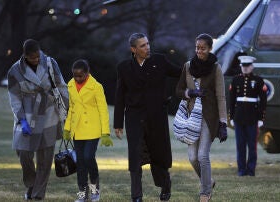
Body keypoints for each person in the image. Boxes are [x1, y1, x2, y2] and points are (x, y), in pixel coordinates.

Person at [113, 33, 181, 202]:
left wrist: (200, 64)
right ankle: (136, 196)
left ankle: (165, 185)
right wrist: (118, 122)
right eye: (142, 45)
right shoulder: (124, 67)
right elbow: (120, 95)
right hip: (134, 118)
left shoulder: (160, 61)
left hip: (157, 118)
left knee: (158, 154)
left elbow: (181, 73)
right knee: (135, 156)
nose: (147, 47)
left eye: (147, 44)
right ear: (133, 49)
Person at [7, 39, 68, 200]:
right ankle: (31, 184)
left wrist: (67, 110)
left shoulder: (49, 63)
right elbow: (14, 98)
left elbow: (61, 85)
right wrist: (21, 119)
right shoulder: (15, 71)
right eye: (32, 57)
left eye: (37, 56)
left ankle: (38, 194)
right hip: (27, 114)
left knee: (45, 159)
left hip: (49, 113)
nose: (35, 60)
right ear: (25, 55)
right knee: (24, 153)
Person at [175, 33, 228, 202]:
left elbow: (221, 97)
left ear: (210, 48)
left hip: (209, 116)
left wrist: (223, 123)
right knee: (192, 157)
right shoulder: (188, 66)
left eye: (203, 48)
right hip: (192, 117)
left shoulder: (215, 68)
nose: (199, 51)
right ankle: (209, 181)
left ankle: (205, 192)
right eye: (197, 47)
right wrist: (190, 92)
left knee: (203, 155)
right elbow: (178, 90)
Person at [63, 59, 113, 202]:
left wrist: (105, 133)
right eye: (75, 75)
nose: (77, 78)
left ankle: (95, 190)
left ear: (87, 72)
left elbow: (103, 110)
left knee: (88, 157)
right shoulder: (70, 85)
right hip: (77, 130)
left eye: (80, 75)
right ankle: (82, 194)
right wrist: (67, 128)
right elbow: (71, 108)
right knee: (80, 162)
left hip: (93, 129)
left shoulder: (96, 87)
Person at [229, 56, 267, 176]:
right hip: (239, 116)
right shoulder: (235, 80)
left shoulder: (259, 80)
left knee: (252, 145)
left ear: (252, 66)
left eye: (247, 66)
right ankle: (241, 170)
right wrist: (231, 117)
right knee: (240, 145)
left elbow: (263, 101)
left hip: (252, 116)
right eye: (243, 66)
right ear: (240, 66)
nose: (245, 68)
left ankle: (251, 170)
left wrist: (261, 117)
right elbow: (231, 100)